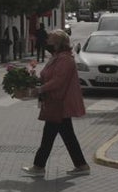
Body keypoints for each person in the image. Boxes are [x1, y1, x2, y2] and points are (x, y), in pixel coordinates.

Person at [22, 29, 90, 177]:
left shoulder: (65, 60)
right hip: (56, 102)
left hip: (60, 102)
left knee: (49, 136)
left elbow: (58, 81)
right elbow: (48, 76)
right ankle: (81, 165)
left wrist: (40, 89)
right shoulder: (57, 57)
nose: (47, 43)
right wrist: (34, 80)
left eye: (50, 41)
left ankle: (39, 166)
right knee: (66, 136)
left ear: (58, 44)